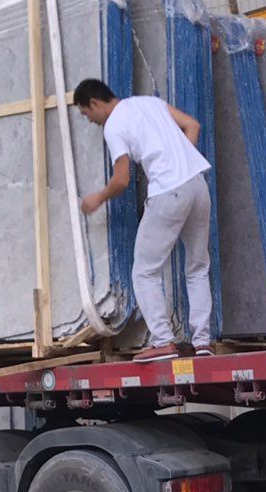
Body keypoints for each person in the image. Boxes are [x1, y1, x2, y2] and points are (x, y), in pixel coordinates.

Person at [75, 79, 213, 362]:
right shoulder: (149, 102)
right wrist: (181, 165)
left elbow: (122, 179)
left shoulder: (114, 125)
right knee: (198, 268)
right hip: (197, 185)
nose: (90, 121)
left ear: (95, 103)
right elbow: (193, 125)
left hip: (168, 193)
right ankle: (203, 343)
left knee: (144, 272)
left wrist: (97, 198)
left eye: (87, 114)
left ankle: (163, 342)